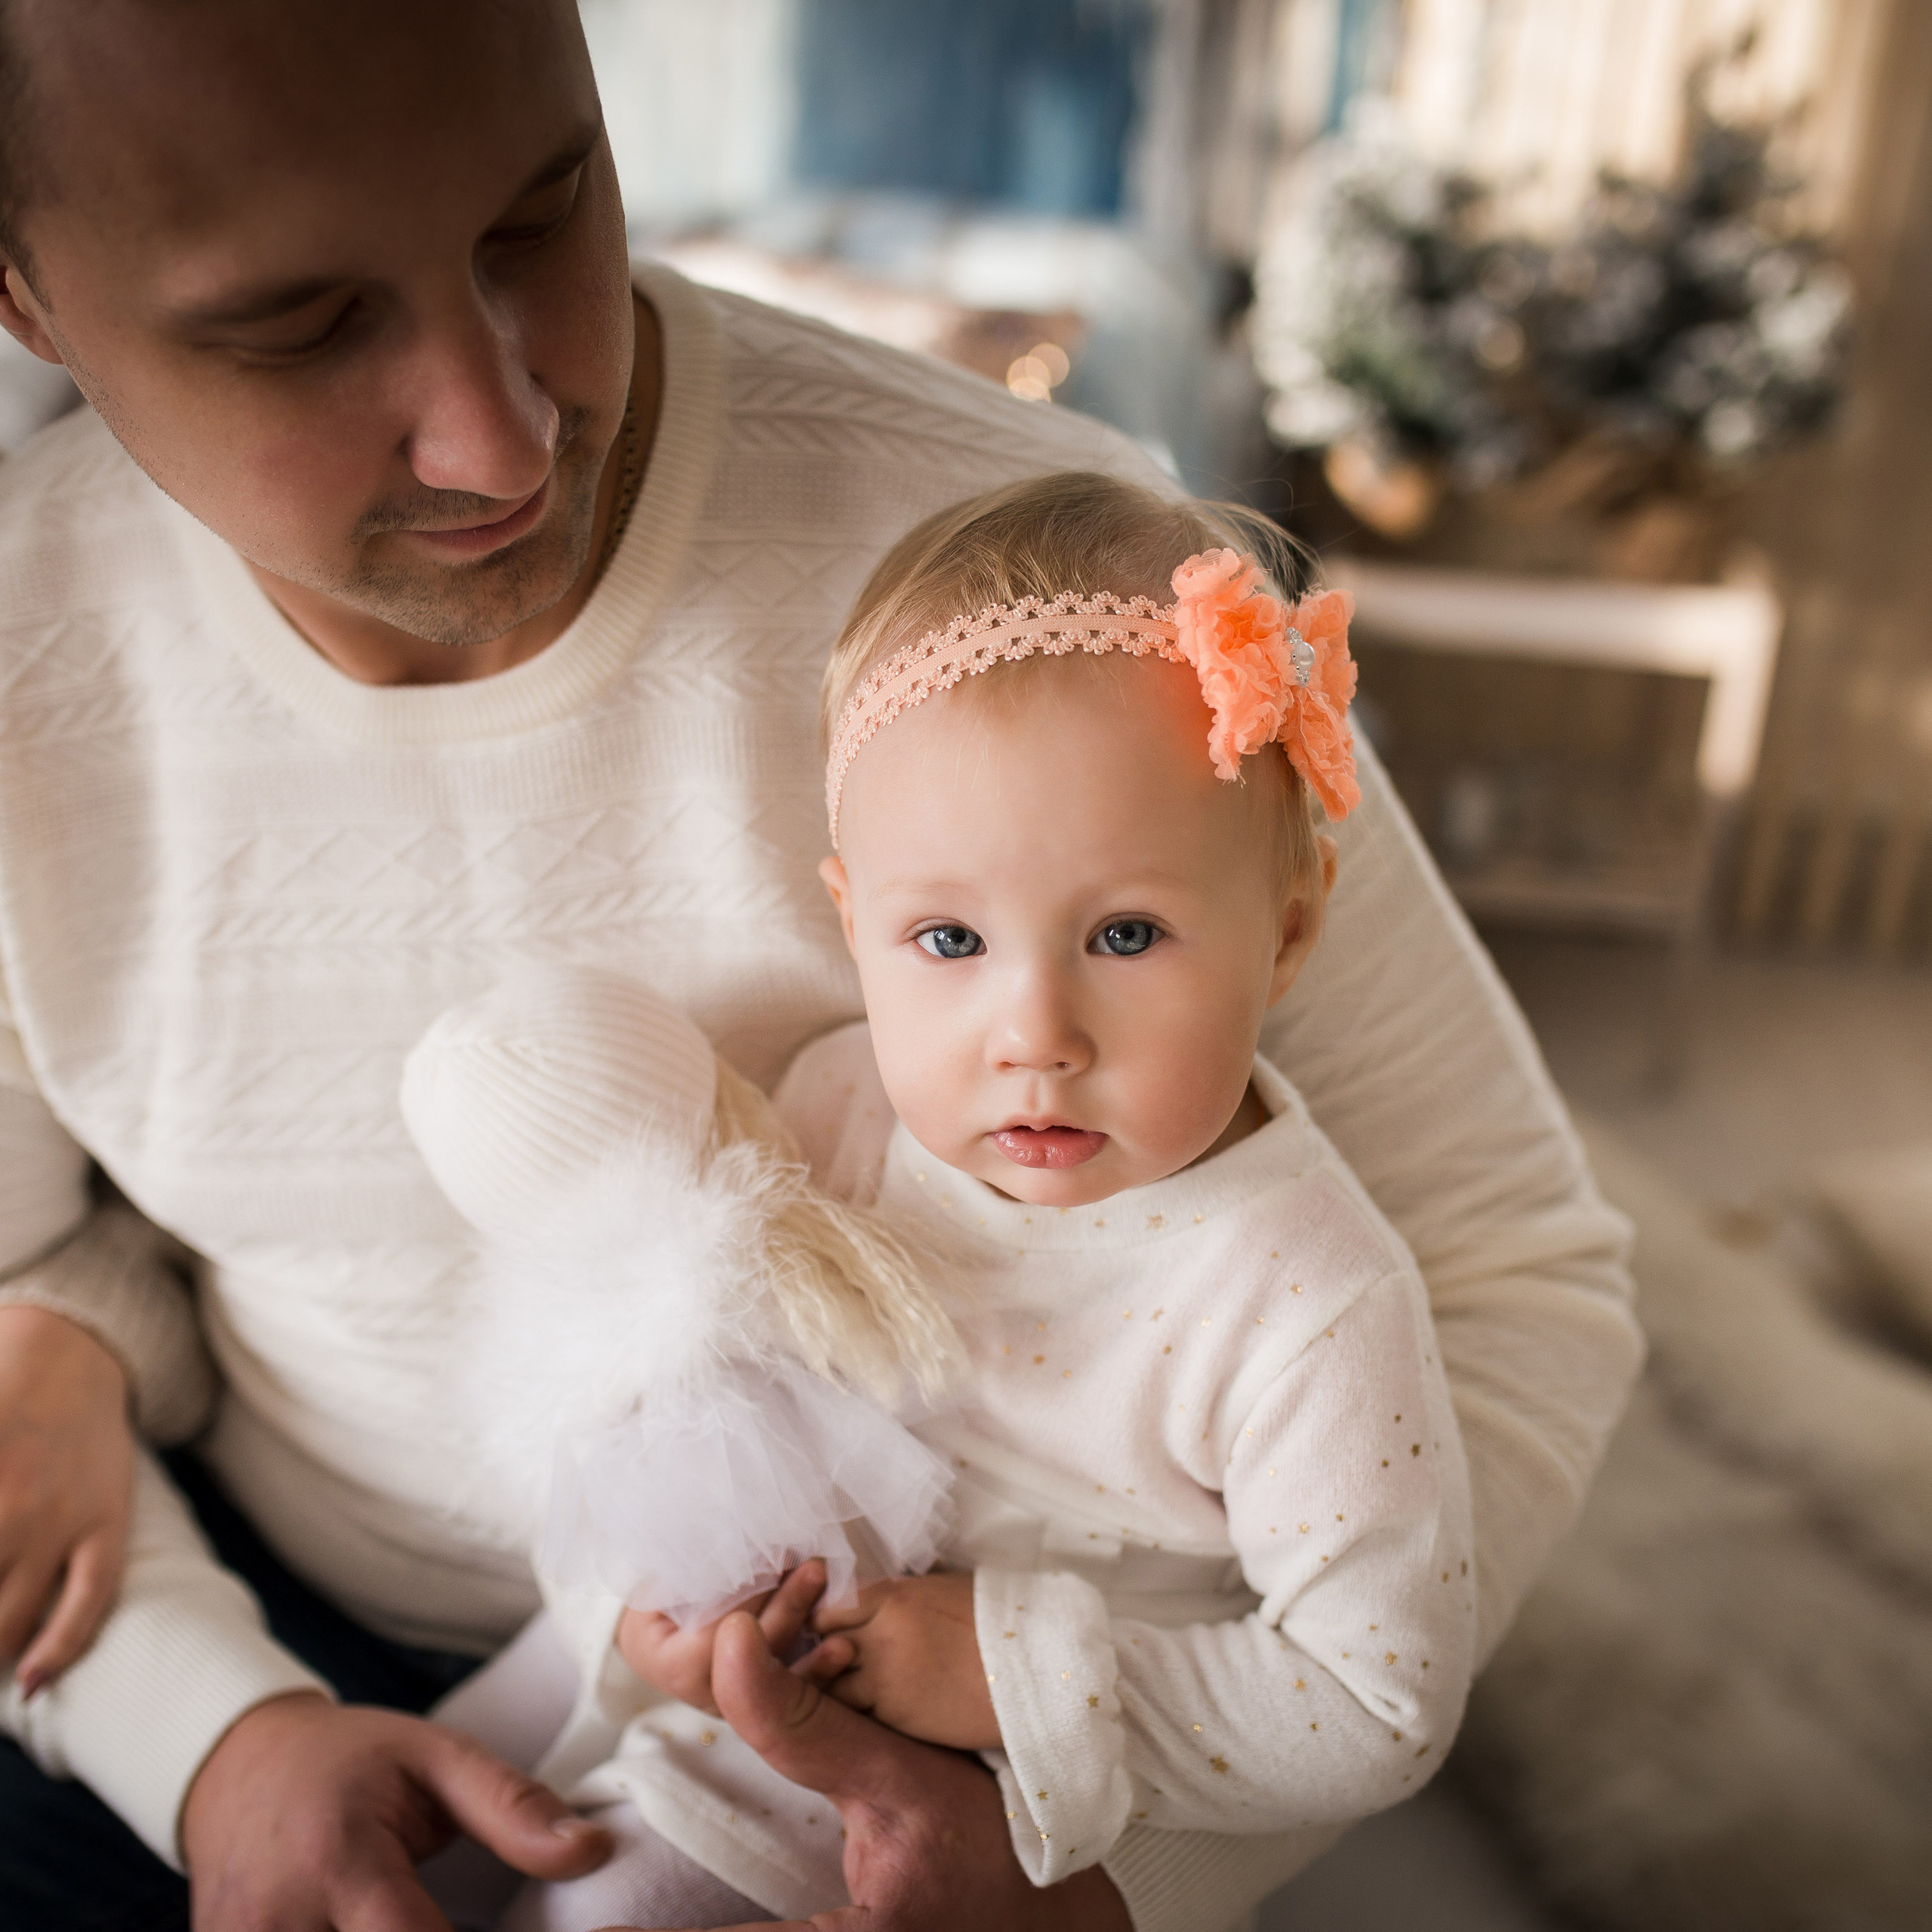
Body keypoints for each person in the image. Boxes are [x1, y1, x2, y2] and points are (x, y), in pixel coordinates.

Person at [0, 1, 1642, 1927]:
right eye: (299, 327)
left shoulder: (1049, 597)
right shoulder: (29, 670)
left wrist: (1099, 1875)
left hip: (938, 1718)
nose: (501, 420)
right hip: (229, 1623)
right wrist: (210, 1736)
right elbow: (53, 1248)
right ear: (24, 296)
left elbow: (1516, 1273)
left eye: (546, 216)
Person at [409, 472, 1478, 1932]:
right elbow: (678, 1390)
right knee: (428, 1829)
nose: (1033, 1030)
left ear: (1286, 930)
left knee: (606, 1904)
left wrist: (1007, 1666)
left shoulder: (1300, 1296)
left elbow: (1382, 1705)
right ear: (857, 927)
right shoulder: (846, 1102)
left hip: (981, 1781)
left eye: (1125, 932)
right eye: (950, 938)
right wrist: (658, 1618)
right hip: (727, 1667)